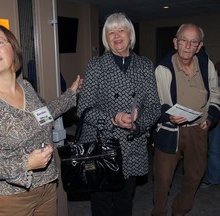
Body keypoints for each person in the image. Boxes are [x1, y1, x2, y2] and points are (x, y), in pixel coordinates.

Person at [0, 23, 82, 216]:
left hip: (47, 188)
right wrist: (25, 164)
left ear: (13, 49)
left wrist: (70, 94)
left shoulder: (26, 87)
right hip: (10, 200)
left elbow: (44, 114)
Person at [77, 13, 161, 216]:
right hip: (101, 144)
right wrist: (111, 120)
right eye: (110, 31)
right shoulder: (96, 65)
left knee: (125, 200)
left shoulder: (145, 65)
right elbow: (83, 108)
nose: (116, 35)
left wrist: (137, 125)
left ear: (130, 34)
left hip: (132, 143)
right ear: (106, 38)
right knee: (101, 203)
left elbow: (154, 107)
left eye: (121, 30)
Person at [152, 23, 220, 216]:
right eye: (184, 40)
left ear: (200, 46)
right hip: (169, 131)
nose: (188, 46)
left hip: (199, 128)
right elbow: (153, 104)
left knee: (195, 174)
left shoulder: (206, 65)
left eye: (193, 42)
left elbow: (215, 94)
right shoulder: (162, 69)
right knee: (162, 180)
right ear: (176, 42)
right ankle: (158, 212)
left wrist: (211, 118)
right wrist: (168, 116)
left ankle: (180, 209)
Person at [200, 61, 220, 188]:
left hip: (217, 122)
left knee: (214, 150)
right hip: (214, 120)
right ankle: (214, 177)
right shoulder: (213, 80)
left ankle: (213, 178)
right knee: (214, 150)